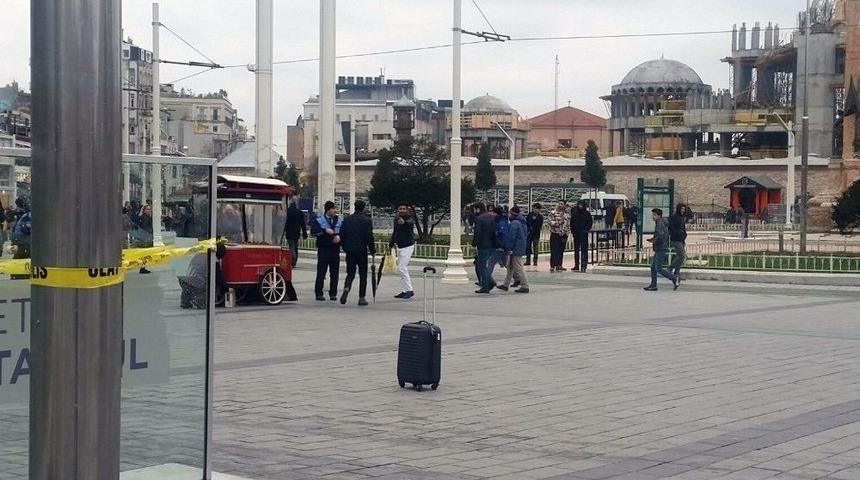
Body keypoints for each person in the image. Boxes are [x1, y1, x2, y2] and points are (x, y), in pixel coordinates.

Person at [339, 200, 375, 306]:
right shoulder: (367, 220)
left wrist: (345, 247)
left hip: (350, 250)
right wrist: (372, 250)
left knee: (350, 273)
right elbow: (369, 237)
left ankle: (346, 288)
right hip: (361, 250)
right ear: (363, 208)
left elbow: (342, 235)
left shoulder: (347, 219)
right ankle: (361, 298)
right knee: (363, 274)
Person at [313, 201, 342, 301]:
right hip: (324, 249)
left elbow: (344, 232)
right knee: (321, 272)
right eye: (333, 209)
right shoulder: (319, 220)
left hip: (335, 250)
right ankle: (319, 293)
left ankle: (333, 293)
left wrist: (340, 237)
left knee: (334, 272)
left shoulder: (339, 220)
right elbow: (314, 231)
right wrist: (325, 231)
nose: (335, 211)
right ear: (328, 210)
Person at [644, 208, 678, 291]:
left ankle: (673, 278)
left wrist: (654, 241)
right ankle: (653, 285)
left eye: (654, 215)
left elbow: (661, 236)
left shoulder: (660, 223)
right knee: (653, 267)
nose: (653, 216)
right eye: (653, 214)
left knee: (658, 268)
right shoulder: (661, 222)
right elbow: (660, 235)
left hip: (661, 248)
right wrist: (653, 239)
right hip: (660, 247)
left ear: (659, 216)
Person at [497, 206, 529, 294]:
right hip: (518, 247)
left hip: (515, 248)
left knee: (519, 267)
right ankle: (505, 284)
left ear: (513, 213)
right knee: (510, 267)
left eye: (509, 213)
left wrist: (509, 247)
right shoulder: (521, 222)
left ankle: (525, 285)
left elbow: (512, 237)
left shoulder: (514, 223)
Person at [389, 202, 416, 299]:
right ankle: (405, 290)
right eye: (400, 209)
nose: (402, 210)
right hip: (399, 246)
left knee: (402, 267)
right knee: (401, 269)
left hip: (407, 246)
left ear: (407, 210)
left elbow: (408, 225)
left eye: (404, 209)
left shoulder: (409, 219)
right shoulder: (396, 219)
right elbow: (395, 231)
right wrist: (391, 243)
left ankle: (409, 290)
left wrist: (403, 223)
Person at [472, 202, 500, 293]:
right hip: (491, 245)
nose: (474, 211)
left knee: (482, 266)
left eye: (475, 209)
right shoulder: (490, 217)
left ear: (478, 209)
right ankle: (489, 282)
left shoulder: (479, 219)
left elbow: (478, 233)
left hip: (483, 245)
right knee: (484, 265)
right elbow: (494, 231)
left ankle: (488, 284)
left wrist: (474, 244)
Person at [668, 203, 688, 286]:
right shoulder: (674, 217)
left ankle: (676, 275)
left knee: (680, 257)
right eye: (681, 209)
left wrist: (684, 235)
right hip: (675, 240)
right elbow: (672, 228)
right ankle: (670, 268)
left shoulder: (682, 218)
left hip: (681, 240)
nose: (683, 211)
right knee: (682, 256)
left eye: (684, 209)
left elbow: (683, 228)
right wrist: (678, 234)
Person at [571, 200, 593, 273]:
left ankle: (584, 264)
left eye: (581, 205)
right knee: (576, 250)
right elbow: (572, 223)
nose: (580, 206)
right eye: (579, 205)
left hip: (584, 234)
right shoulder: (575, 213)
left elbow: (590, 222)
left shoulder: (587, 214)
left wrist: (586, 230)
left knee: (584, 250)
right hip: (576, 234)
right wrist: (573, 231)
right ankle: (576, 264)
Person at [548, 200, 570, 272]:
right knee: (554, 250)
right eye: (559, 203)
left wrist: (566, 233)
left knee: (561, 250)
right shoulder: (553, 213)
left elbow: (568, 224)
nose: (560, 205)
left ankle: (559, 265)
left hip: (563, 235)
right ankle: (552, 265)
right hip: (555, 234)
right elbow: (550, 222)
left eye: (562, 204)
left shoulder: (566, 214)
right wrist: (558, 223)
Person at [284, 198, 308, 267]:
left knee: (291, 246)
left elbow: (285, 223)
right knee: (295, 247)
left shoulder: (287, 212)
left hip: (289, 232)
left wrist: (283, 231)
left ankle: (292, 258)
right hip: (296, 232)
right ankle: (294, 261)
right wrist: (304, 234)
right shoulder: (299, 212)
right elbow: (302, 224)